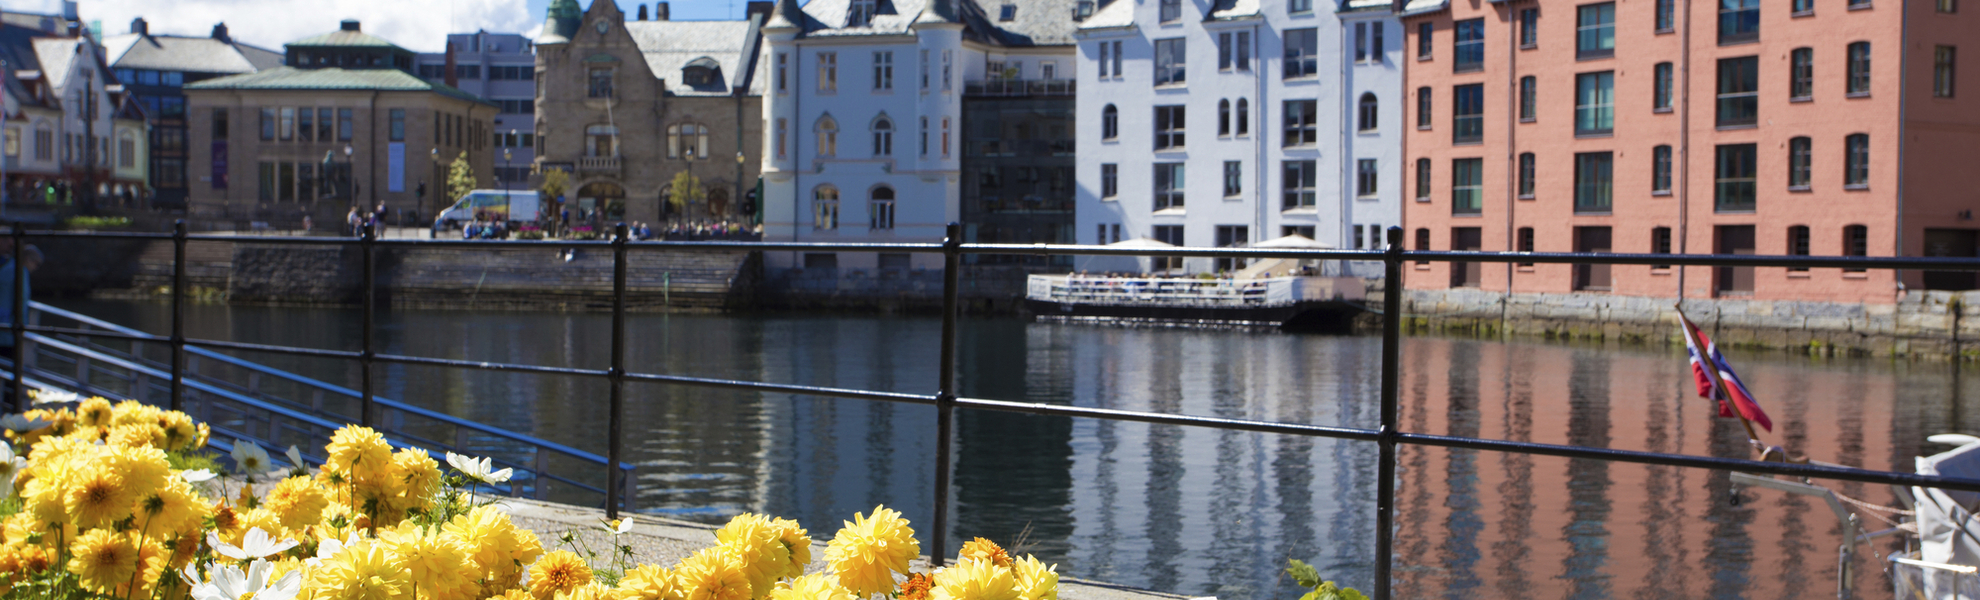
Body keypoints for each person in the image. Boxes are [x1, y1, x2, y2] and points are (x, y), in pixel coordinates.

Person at [0, 243, 41, 411]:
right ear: (28, 260)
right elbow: (20, 302)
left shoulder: (8, 269)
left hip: (5, 330)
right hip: (9, 333)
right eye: (35, 264)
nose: (35, 268)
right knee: (11, 373)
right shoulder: (18, 272)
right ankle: (11, 411)